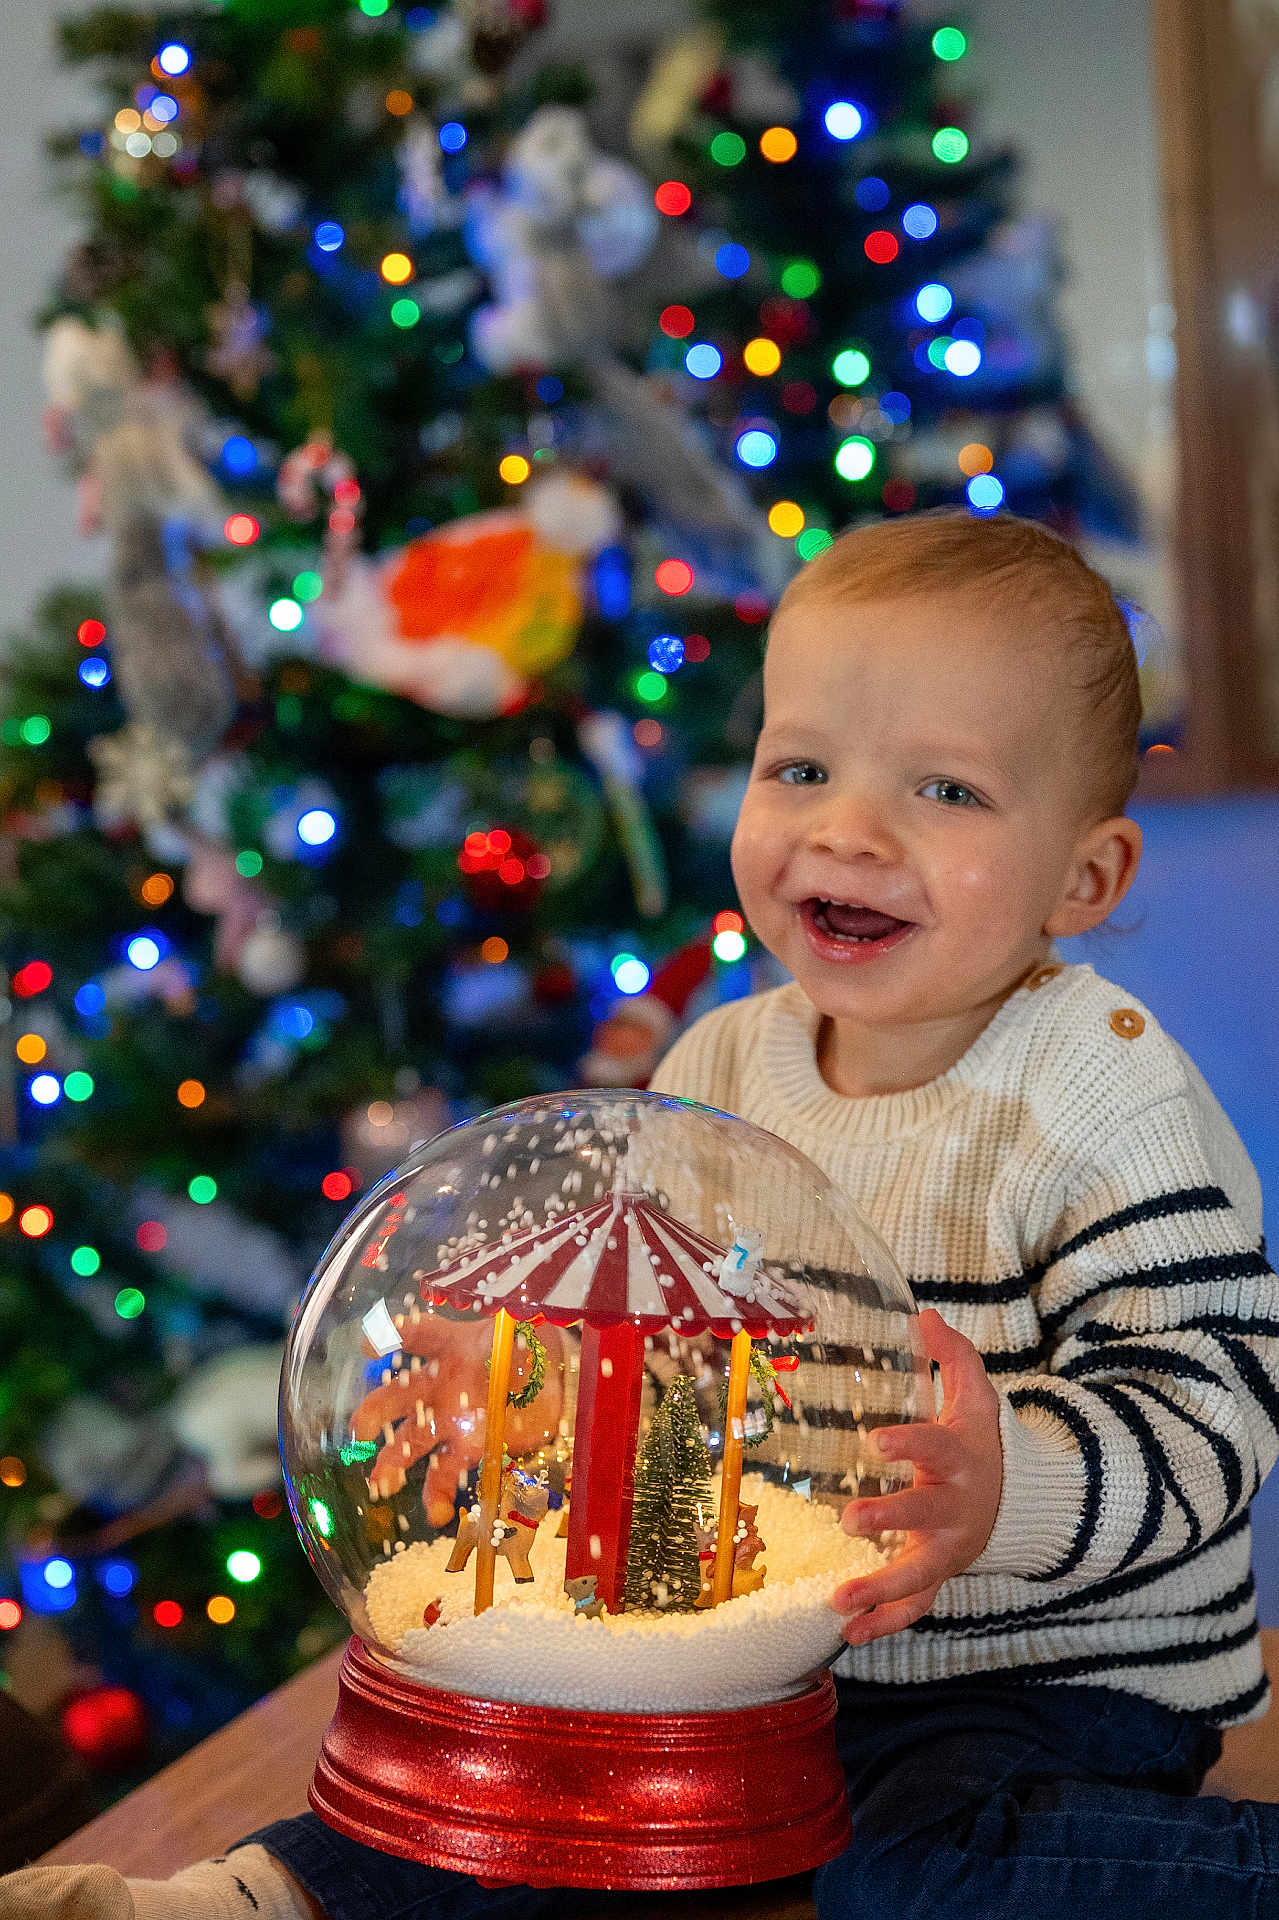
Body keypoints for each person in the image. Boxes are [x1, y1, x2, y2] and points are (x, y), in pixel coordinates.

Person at [6, 508, 1279, 1917]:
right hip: (757, 1648)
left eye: (947, 793)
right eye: (800, 767)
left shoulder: (1105, 1101)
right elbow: (655, 1345)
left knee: (905, 1875)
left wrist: (997, 1488)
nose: (846, 830)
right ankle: (225, 1904)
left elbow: (1213, 1410)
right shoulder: (720, 1069)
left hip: (1047, 1685)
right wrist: (523, 1395)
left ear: (1086, 877)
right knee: (509, 1775)